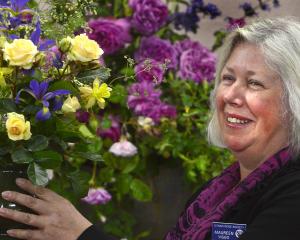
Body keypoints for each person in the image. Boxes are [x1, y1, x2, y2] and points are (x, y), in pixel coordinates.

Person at [1, 16, 300, 240]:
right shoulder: (214, 192)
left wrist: (82, 235)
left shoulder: (292, 196)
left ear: (293, 101)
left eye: (254, 83)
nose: (231, 96)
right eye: (228, 78)